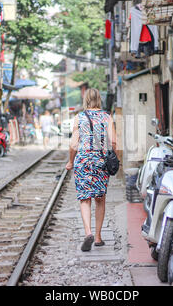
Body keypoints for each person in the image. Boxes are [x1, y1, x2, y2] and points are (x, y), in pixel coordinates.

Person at [65, 88, 117, 251]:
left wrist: (70, 162)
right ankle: (99, 237)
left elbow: (73, 144)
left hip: (83, 161)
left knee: (84, 199)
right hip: (100, 161)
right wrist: (110, 155)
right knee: (100, 199)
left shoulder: (79, 118)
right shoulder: (106, 117)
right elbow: (113, 142)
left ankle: (88, 232)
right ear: (99, 99)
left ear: (86, 100)